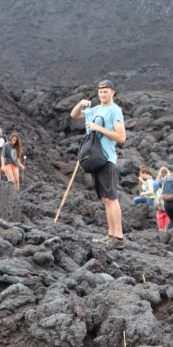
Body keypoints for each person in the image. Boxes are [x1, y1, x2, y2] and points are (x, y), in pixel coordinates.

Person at [70, 80, 126, 245]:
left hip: (106, 158)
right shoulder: (96, 109)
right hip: (95, 158)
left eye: (106, 91)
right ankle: (111, 234)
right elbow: (74, 115)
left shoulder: (115, 111)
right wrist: (80, 103)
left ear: (112, 92)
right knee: (105, 199)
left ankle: (119, 237)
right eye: (100, 92)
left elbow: (121, 137)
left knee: (112, 197)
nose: (103, 94)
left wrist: (98, 128)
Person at [153, 166, 171, 233]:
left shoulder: (156, 183)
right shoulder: (169, 182)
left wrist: (158, 176)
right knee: (167, 226)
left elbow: (154, 190)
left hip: (159, 207)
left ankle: (161, 236)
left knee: (161, 227)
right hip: (167, 206)